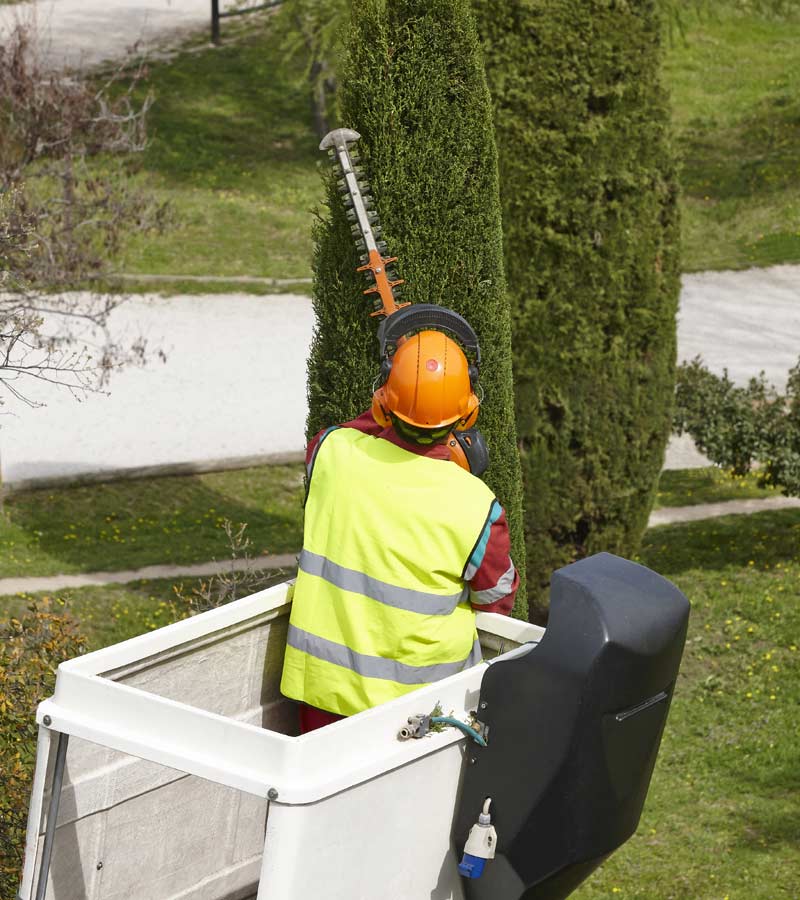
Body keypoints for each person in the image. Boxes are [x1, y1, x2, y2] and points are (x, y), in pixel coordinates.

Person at [280, 325, 519, 733]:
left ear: (383, 399)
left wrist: (386, 409)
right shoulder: (478, 507)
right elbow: (497, 602)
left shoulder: (329, 453)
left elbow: (353, 430)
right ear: (468, 413)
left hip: (322, 698)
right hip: (419, 716)